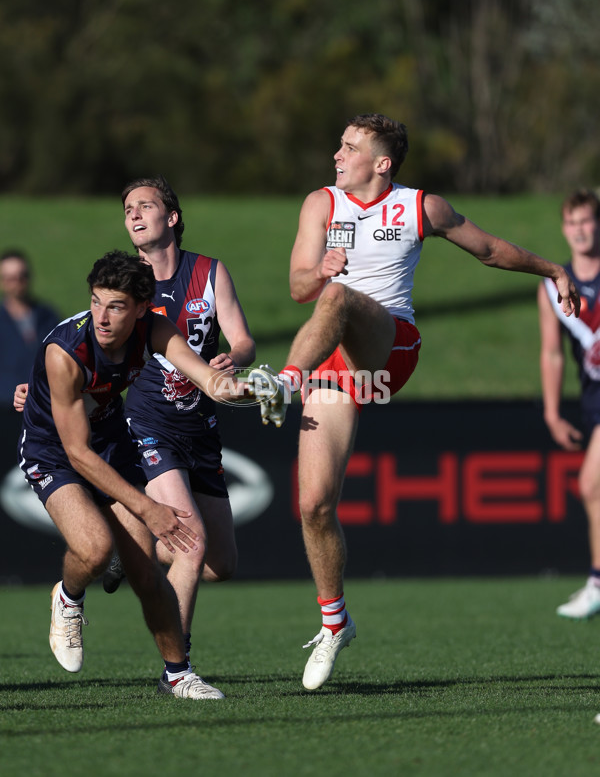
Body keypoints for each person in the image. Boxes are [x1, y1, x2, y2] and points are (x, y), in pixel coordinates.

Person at [249, 113, 581, 691]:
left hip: (390, 347)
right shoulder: (320, 204)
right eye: (339, 143)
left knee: (340, 298)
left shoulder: (420, 206)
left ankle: (282, 382)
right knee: (313, 506)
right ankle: (335, 621)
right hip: (335, 360)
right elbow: (299, 287)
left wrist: (552, 269)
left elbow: (491, 250)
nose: (336, 153)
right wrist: (318, 269)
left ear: (382, 164)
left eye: (350, 147)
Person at [16, 250, 251, 699]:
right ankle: (68, 597)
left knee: (145, 571)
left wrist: (249, 389)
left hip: (111, 442)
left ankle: (177, 674)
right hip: (55, 453)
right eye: (96, 302)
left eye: (116, 306)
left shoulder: (156, 330)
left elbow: (207, 379)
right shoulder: (66, 352)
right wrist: (148, 508)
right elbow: (77, 455)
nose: (102, 317)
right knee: (95, 549)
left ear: (142, 309)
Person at [107, 175, 256, 682]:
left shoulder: (210, 273)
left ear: (171, 217)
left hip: (201, 428)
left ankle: (128, 546)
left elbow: (243, 342)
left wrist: (233, 359)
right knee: (189, 541)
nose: (133, 214)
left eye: (144, 205)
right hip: (148, 424)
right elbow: (92, 342)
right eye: (127, 209)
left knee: (221, 564)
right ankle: (179, 669)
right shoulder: (127, 282)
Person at [537, 189, 600, 619]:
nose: (579, 230)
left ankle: (597, 583)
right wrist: (552, 412)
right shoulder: (552, 288)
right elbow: (552, 353)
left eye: (587, 221)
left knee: (591, 485)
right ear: (564, 228)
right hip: (592, 397)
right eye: (572, 222)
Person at [0, 249, 60, 451]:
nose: (16, 283)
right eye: (9, 278)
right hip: (6, 412)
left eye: (21, 277)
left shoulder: (48, 315)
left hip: (43, 408)